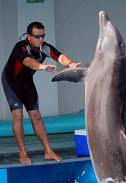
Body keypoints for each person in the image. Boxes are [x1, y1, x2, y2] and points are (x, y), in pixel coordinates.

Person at [1, 21, 80, 165]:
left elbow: (59, 56)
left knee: (36, 116)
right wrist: (42, 66)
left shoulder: (44, 47)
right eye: (37, 37)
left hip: (26, 83)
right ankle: (22, 153)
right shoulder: (20, 47)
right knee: (18, 114)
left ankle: (48, 151)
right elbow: (28, 62)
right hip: (11, 82)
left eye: (42, 36)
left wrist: (71, 64)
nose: (41, 39)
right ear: (28, 36)